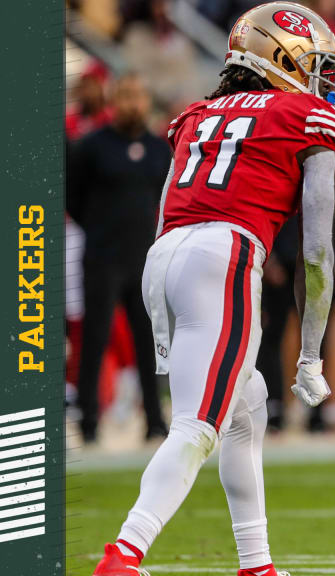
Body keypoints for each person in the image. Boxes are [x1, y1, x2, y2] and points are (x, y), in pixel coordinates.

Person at [91, 4, 335, 576]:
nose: (321, 78)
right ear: (281, 57)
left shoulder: (196, 114)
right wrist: (310, 352)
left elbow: (166, 211)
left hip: (165, 256)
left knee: (245, 405)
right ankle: (123, 555)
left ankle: (255, 565)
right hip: (225, 256)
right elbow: (316, 252)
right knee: (198, 423)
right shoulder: (306, 115)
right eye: (313, 63)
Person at [68, 74, 172, 443]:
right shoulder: (92, 147)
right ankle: (89, 422)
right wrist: (99, 229)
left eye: (138, 96)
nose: (132, 104)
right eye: (125, 96)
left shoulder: (160, 150)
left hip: (145, 259)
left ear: (147, 101)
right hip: (101, 258)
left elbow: (168, 199)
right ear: (114, 101)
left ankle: (155, 421)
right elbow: (72, 198)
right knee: (94, 340)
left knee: (149, 343)